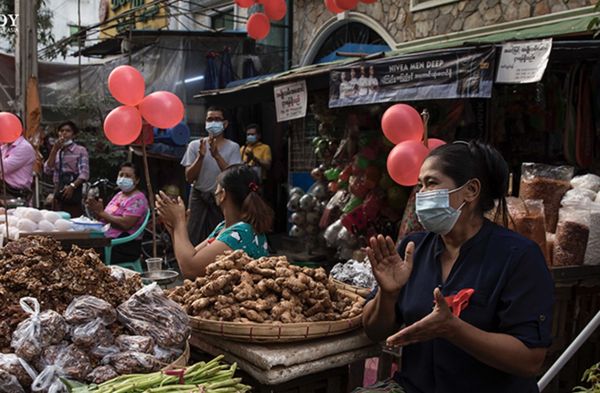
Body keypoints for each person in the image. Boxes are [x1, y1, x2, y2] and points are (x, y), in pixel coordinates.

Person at [361, 141, 554, 393]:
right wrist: (388, 294)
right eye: (419, 185)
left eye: (431, 183)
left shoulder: (518, 257)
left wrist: (453, 329)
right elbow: (375, 331)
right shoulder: (412, 249)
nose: (421, 194)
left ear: (471, 190)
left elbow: (530, 360)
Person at [156, 164, 274, 279]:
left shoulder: (242, 232)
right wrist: (175, 229)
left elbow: (190, 269)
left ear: (222, 194)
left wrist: (179, 221)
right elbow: (191, 255)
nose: (214, 191)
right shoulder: (223, 227)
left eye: (216, 186)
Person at [85, 162, 149, 263]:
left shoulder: (138, 199)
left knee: (84, 255)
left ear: (137, 180)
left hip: (123, 246)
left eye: (128, 176)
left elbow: (125, 224)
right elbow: (104, 217)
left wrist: (101, 213)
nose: (123, 178)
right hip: (106, 240)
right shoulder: (119, 195)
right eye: (121, 175)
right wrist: (95, 210)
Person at [44, 121, 89, 217]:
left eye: (68, 131)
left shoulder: (80, 150)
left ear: (74, 134)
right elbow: (47, 169)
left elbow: (84, 173)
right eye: (61, 131)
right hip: (58, 191)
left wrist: (72, 186)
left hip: (72, 192)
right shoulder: (57, 150)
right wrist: (54, 150)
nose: (64, 133)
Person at [0, 132, 36, 204]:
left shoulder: (24, 147)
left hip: (15, 193)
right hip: (4, 190)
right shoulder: (5, 146)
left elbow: (3, 167)